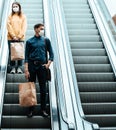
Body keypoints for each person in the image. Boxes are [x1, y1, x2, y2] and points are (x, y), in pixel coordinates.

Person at [24, 23, 54, 118]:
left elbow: (52, 53)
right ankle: (31, 110)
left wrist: (48, 64)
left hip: (42, 67)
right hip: (32, 66)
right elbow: (26, 57)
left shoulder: (46, 40)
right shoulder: (29, 41)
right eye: (41, 28)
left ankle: (43, 109)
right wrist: (26, 70)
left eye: (43, 29)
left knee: (43, 89)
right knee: (30, 88)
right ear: (36, 29)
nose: (42, 30)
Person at [7, 2, 27, 74]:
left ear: (19, 7)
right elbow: (8, 27)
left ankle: (19, 67)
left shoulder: (23, 16)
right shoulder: (10, 16)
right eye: (13, 6)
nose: (15, 8)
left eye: (16, 6)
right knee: (11, 53)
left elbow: (24, 27)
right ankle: (12, 68)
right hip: (11, 38)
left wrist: (19, 36)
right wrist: (13, 36)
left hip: (20, 38)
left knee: (20, 52)